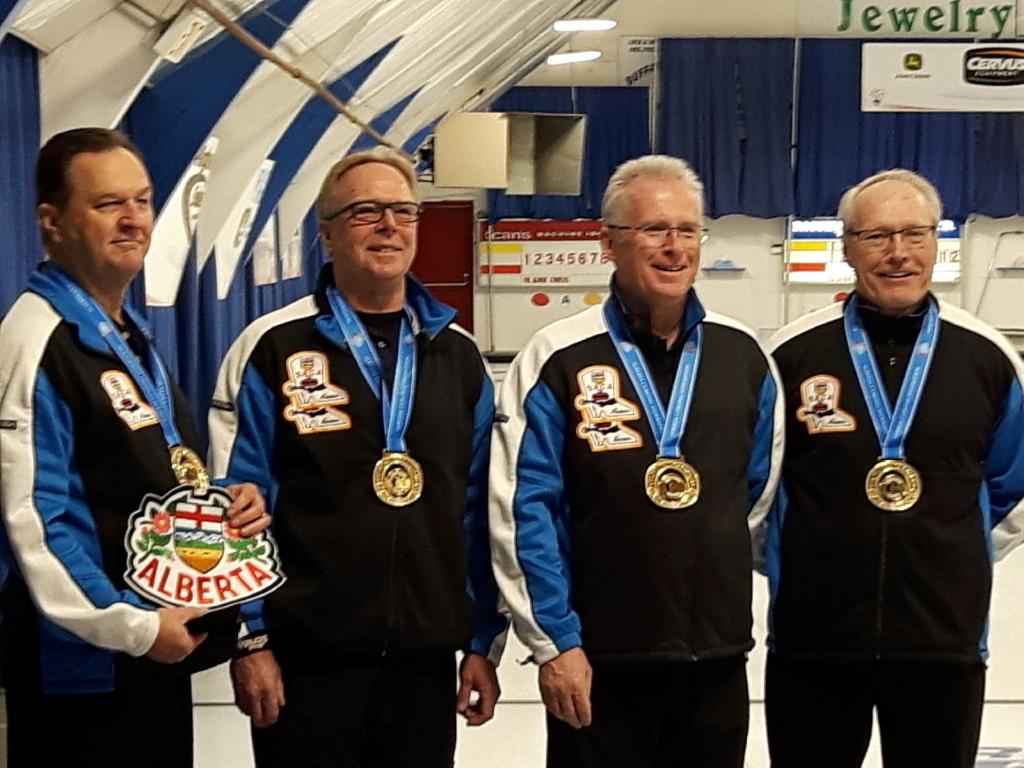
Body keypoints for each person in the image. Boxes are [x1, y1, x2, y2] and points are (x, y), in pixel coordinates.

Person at [209, 146, 507, 767]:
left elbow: (479, 510)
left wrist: (483, 640)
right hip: (306, 659)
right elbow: (233, 504)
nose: (389, 226)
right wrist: (249, 638)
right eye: (365, 211)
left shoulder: (458, 357)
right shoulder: (272, 348)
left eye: (403, 211)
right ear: (327, 234)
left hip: (423, 662)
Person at [489, 154, 784, 768]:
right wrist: (554, 642)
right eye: (654, 230)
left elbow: (753, 494)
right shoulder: (557, 356)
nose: (675, 247)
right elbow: (523, 511)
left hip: (715, 659)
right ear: (609, 243)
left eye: (688, 230)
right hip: (598, 660)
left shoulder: (743, 356)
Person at [0, 127, 269, 767]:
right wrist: (136, 626)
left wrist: (218, 503)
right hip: (85, 670)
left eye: (142, 201)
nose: (132, 220)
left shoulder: (122, 334)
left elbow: (135, 478)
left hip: (150, 647)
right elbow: (33, 521)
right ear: (52, 222)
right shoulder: (36, 342)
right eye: (106, 204)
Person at [763, 169, 1024, 768]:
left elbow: (1012, 483)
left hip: (943, 640)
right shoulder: (791, 354)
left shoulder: (987, 356)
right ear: (847, 248)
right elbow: (759, 485)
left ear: (936, 242)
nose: (898, 252)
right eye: (877, 236)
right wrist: (797, 559)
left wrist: (950, 552)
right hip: (814, 640)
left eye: (914, 233)